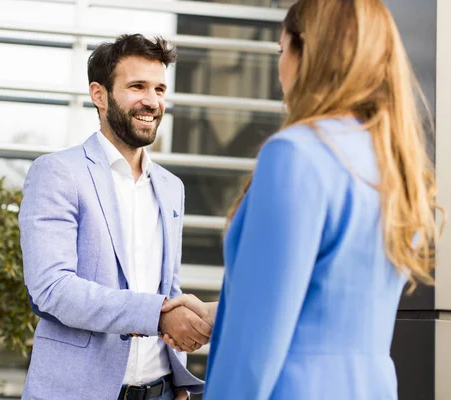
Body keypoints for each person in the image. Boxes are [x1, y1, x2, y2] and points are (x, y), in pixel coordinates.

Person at [162, 0, 445, 398]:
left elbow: (255, 348)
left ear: (306, 51)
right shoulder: (394, 165)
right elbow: (327, 308)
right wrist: (223, 312)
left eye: (281, 52)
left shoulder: (296, 154)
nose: (280, 71)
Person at [19, 34, 209, 400]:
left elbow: (168, 290)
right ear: (99, 95)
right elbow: (52, 289)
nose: (151, 101)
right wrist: (155, 315)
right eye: (137, 86)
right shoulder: (57, 172)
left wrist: (179, 379)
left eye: (159, 89)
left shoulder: (172, 188)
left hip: (162, 393)